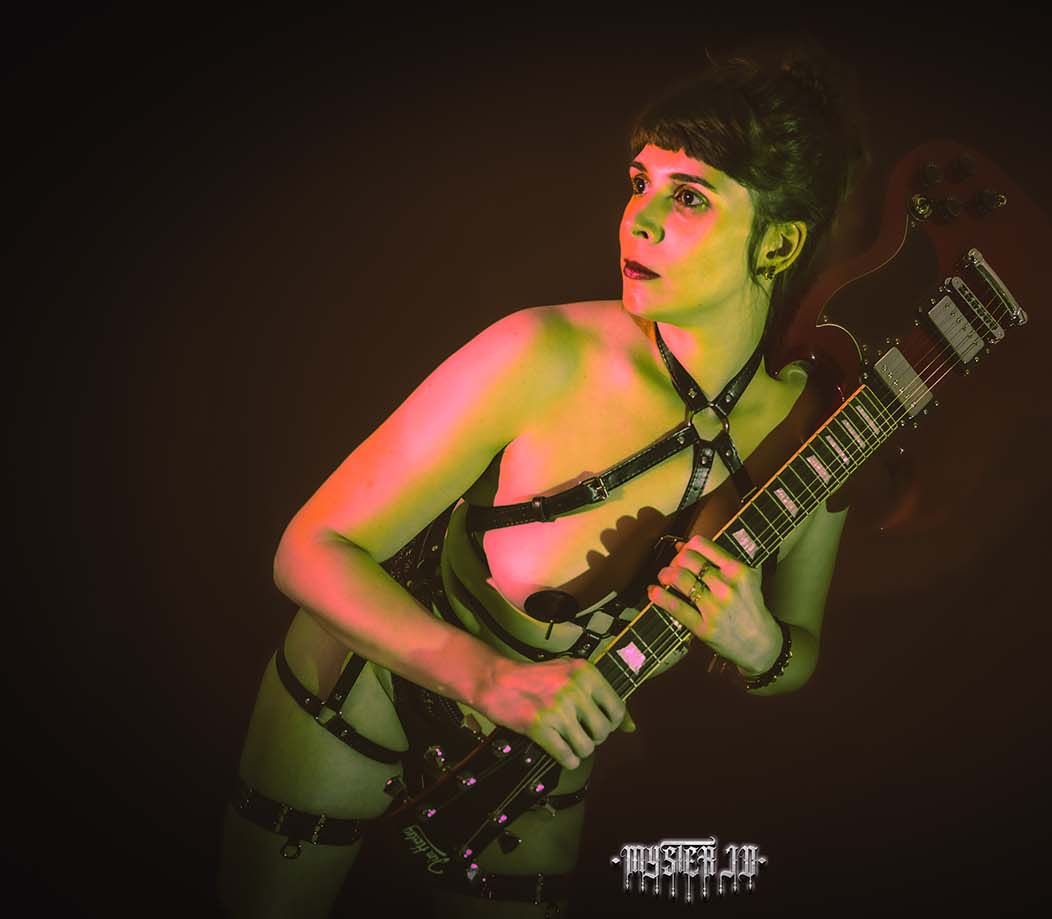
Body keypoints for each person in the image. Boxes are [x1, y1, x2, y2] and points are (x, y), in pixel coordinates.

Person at [218, 39, 868, 918]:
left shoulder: (814, 428)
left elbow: (801, 651)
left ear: (780, 241)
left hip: (536, 761)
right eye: (639, 182)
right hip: (361, 690)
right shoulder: (540, 350)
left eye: (688, 196)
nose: (637, 220)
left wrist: (761, 647)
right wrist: (491, 680)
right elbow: (308, 550)